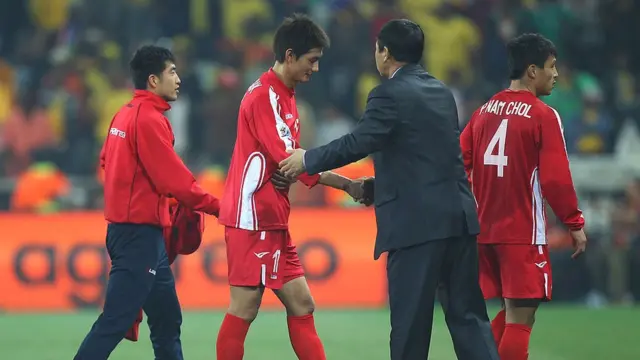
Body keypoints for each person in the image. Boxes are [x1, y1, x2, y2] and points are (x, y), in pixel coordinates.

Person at [279, 19, 498, 360]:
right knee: (469, 319)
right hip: (458, 219)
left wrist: (308, 158)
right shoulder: (442, 92)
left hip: (416, 228)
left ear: (385, 52)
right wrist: (376, 187)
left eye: (377, 49)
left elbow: (359, 142)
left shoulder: (388, 93)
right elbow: (431, 161)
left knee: (411, 326)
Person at [215, 14, 363, 360]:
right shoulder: (264, 97)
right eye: (312, 61)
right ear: (291, 55)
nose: (315, 69)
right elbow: (291, 161)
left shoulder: (286, 94)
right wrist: (345, 184)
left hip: (272, 216)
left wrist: (291, 167)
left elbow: (290, 163)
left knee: (301, 303)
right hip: (253, 217)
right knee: (244, 307)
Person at [74, 45, 220, 360]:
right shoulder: (149, 120)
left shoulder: (124, 114)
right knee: (115, 321)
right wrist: (223, 207)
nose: (179, 79)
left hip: (140, 236)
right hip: (137, 237)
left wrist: (140, 193)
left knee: (167, 320)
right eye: (172, 72)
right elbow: (177, 182)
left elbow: (106, 161)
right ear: (153, 80)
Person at [459, 33, 588, 360]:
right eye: (551, 67)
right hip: (522, 233)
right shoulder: (543, 115)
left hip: (485, 232)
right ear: (532, 71)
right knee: (521, 317)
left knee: (512, 310)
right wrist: (574, 222)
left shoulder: (484, 111)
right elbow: (556, 179)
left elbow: (457, 164)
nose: (556, 74)